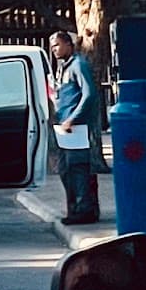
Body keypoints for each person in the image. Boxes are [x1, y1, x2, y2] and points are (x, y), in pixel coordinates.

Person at [50, 30, 106, 226]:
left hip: (77, 128)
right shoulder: (62, 68)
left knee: (78, 168)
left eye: (57, 45)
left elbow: (89, 94)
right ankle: (74, 208)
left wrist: (73, 119)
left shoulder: (78, 65)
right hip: (64, 127)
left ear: (68, 44)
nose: (54, 49)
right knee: (66, 170)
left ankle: (85, 209)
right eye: (52, 46)